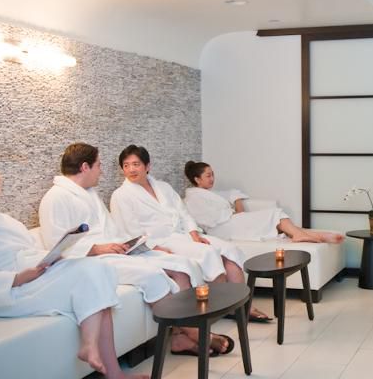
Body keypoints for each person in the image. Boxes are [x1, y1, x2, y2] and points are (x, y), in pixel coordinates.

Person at [0, 163, 149, 379]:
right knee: (92, 279)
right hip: (10, 292)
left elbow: (26, 249)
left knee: (96, 271)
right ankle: (108, 370)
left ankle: (106, 367)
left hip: (35, 276)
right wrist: (19, 277)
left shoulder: (1, 220)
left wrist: (51, 257)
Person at [38, 143, 233, 356]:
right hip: (90, 260)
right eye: (99, 165)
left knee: (181, 266)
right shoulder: (55, 198)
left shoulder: (89, 194)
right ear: (85, 167)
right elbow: (55, 245)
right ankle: (197, 334)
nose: (101, 170)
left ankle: (179, 338)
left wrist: (134, 244)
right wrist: (97, 248)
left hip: (114, 251)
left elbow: (112, 230)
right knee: (153, 275)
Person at [109, 145, 272, 322]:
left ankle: (243, 306)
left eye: (136, 164)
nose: (131, 169)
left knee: (228, 249)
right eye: (126, 165)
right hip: (160, 241)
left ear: (147, 166)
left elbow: (183, 212)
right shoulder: (121, 195)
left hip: (183, 234)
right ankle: (221, 309)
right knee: (208, 252)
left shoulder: (163, 187)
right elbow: (130, 232)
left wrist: (194, 233)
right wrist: (157, 248)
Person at [183, 161, 343, 244]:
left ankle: (310, 235)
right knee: (275, 214)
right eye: (208, 176)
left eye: (213, 174)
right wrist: (232, 214)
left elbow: (234, 194)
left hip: (233, 221)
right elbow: (207, 221)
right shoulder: (193, 197)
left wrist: (239, 211)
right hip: (222, 229)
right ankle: (305, 234)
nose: (212, 178)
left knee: (277, 216)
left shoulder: (211, 193)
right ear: (197, 179)